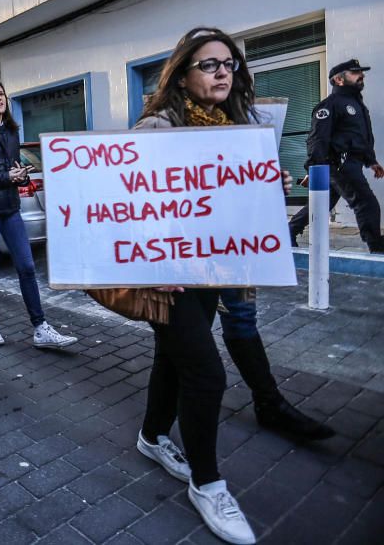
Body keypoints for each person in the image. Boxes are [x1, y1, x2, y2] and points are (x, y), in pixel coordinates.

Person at [133, 27, 264, 545]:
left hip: (213, 271)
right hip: (171, 278)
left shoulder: (241, 125)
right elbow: (133, 208)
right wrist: (153, 264)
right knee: (206, 375)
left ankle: (150, 437)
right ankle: (208, 485)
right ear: (183, 75)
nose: (223, 72)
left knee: (173, 358)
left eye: (229, 63)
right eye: (209, 64)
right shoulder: (156, 128)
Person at [0, 81, 77, 349]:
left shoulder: (12, 131)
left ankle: (40, 327)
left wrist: (21, 177)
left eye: (1, 94)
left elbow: (12, 171)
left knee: (26, 266)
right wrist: (6, 176)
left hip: (11, 209)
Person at [288, 59, 383, 252]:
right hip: (339, 164)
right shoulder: (330, 105)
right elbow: (317, 139)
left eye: (361, 73)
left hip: (351, 163)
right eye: (355, 73)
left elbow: (361, 136)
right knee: (366, 203)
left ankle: (290, 230)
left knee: (321, 204)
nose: (361, 76)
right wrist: (314, 168)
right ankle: (377, 248)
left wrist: (371, 161)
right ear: (339, 79)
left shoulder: (357, 104)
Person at [217, 288, 334, 439]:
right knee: (202, 314)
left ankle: (268, 402)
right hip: (195, 268)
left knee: (243, 312)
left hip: (239, 268)